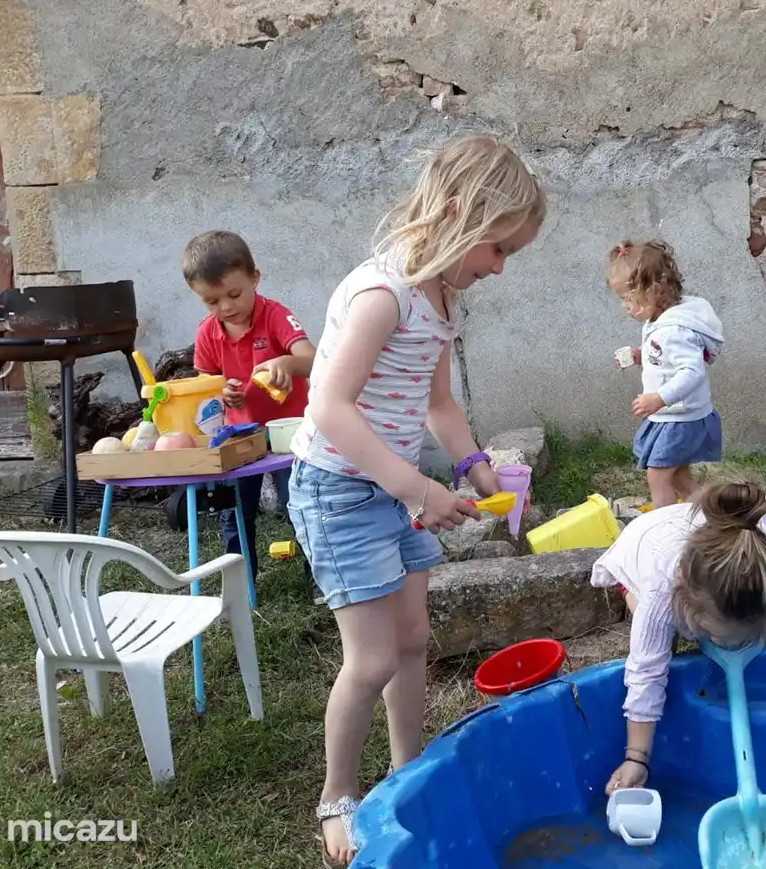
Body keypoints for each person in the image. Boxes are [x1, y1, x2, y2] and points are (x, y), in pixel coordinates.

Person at [287, 135, 546, 867]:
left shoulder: (440, 297)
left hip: (392, 489)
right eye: (498, 249)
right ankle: (337, 796)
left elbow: (436, 402)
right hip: (341, 490)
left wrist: (471, 463)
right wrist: (419, 489)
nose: (498, 268)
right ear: (460, 213)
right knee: (369, 660)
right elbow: (331, 407)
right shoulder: (381, 295)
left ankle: (408, 772)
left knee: (410, 642)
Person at [589, 480, 766, 796]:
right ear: (685, 592)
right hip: (642, 549)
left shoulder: (757, 524)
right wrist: (637, 758)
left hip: (706, 535)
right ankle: (677, 620)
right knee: (657, 642)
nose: (729, 648)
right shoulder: (661, 593)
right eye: (715, 634)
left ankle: (762, 652)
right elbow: (646, 673)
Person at [182, 229, 317, 596]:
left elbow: (314, 360)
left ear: (255, 278)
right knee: (235, 513)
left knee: (302, 507)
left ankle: (320, 578)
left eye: (234, 294)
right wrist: (224, 395)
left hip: (291, 434)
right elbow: (206, 389)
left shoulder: (275, 316)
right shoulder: (208, 333)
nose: (225, 307)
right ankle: (241, 586)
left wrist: (287, 363)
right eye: (212, 301)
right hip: (239, 435)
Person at [609, 240, 725, 509]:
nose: (624, 306)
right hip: (673, 416)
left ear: (654, 291)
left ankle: (663, 527)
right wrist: (640, 355)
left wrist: (659, 398)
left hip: (680, 418)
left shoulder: (674, 330)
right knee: (680, 477)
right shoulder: (661, 321)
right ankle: (711, 517)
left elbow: (692, 371)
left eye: (628, 298)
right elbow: (666, 358)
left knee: (658, 474)